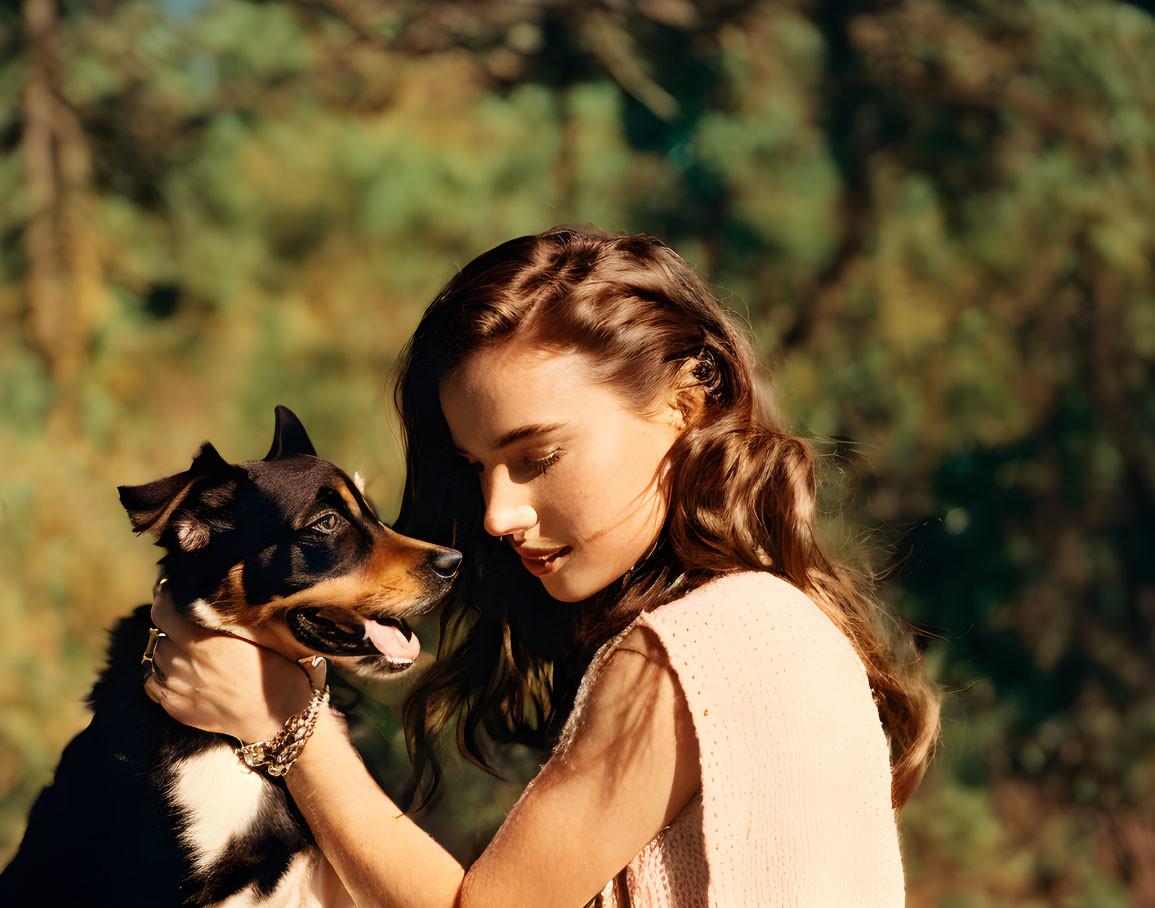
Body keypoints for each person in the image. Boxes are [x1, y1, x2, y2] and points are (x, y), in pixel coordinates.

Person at [145, 225, 940, 906]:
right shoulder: (782, 625)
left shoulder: (698, 646)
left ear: (686, 399)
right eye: (477, 466)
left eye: (539, 454)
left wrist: (287, 723)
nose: (496, 514)